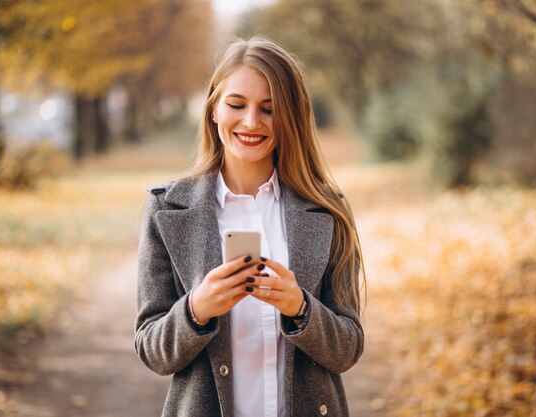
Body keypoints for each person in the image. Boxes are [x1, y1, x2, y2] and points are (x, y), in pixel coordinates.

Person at [135, 37, 364, 417]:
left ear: (289, 117)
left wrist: (301, 307)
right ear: (213, 109)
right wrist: (196, 309)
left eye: (269, 109)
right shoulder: (166, 209)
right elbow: (152, 351)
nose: (251, 122)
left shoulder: (327, 210)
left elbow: (348, 349)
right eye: (236, 104)